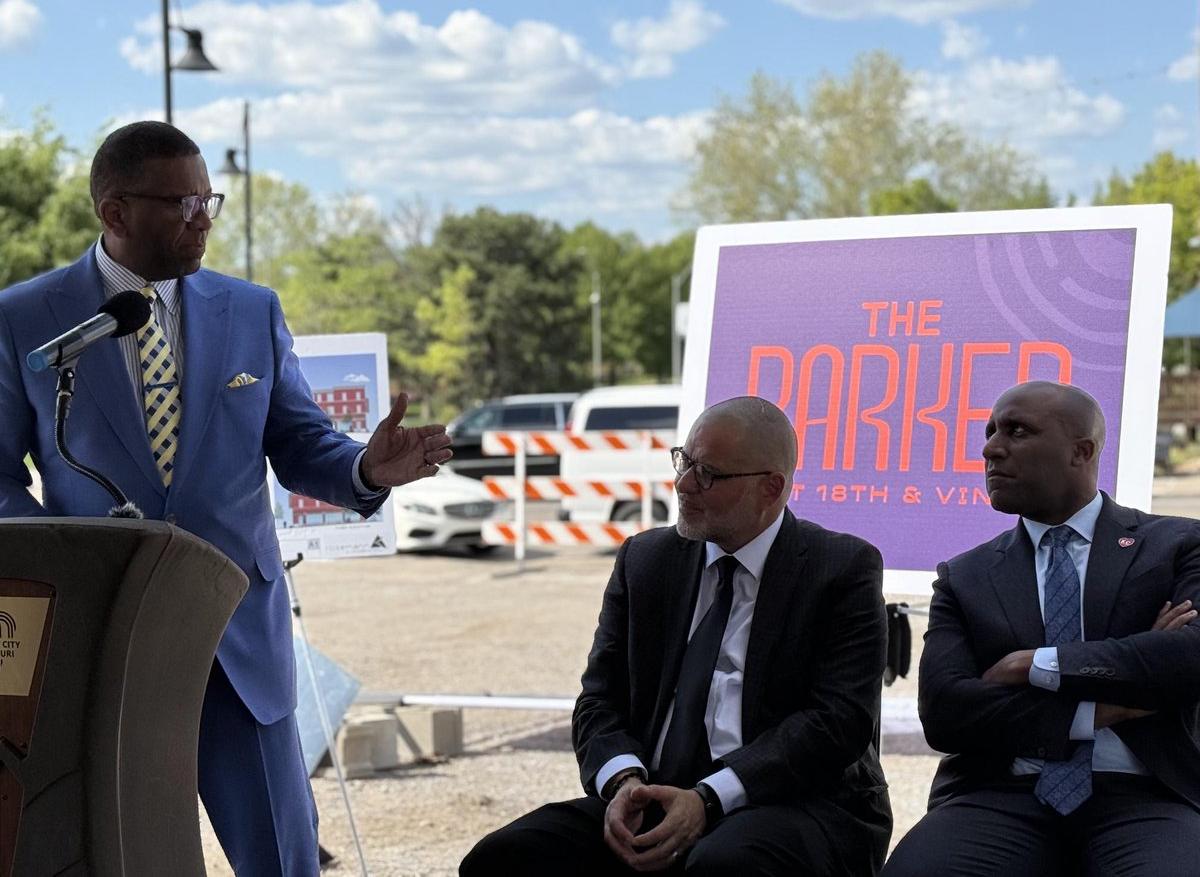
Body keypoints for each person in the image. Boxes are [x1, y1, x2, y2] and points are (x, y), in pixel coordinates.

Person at [0, 121, 453, 876]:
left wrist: (368, 470)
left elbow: (303, 446)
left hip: (238, 639)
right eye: (181, 203)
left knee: (282, 860)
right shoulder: (25, 317)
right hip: (100, 636)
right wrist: (60, 559)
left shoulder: (251, 309)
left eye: (207, 197)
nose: (203, 217)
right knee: (117, 856)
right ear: (115, 213)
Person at [461, 396, 892, 876]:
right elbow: (598, 701)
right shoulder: (647, 560)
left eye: (708, 473)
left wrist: (709, 798)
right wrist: (625, 782)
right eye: (684, 461)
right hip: (653, 792)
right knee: (503, 857)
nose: (683, 484)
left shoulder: (840, 568)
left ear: (771, 489)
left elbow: (837, 723)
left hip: (791, 800)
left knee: (722, 865)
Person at [883, 381, 1200, 877]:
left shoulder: (1176, 545)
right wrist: (1110, 705)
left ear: (1082, 451)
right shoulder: (965, 576)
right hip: (998, 797)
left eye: (1017, 430)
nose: (991, 448)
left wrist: (1035, 664)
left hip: (1149, 797)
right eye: (990, 432)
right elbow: (946, 712)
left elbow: (1190, 659)